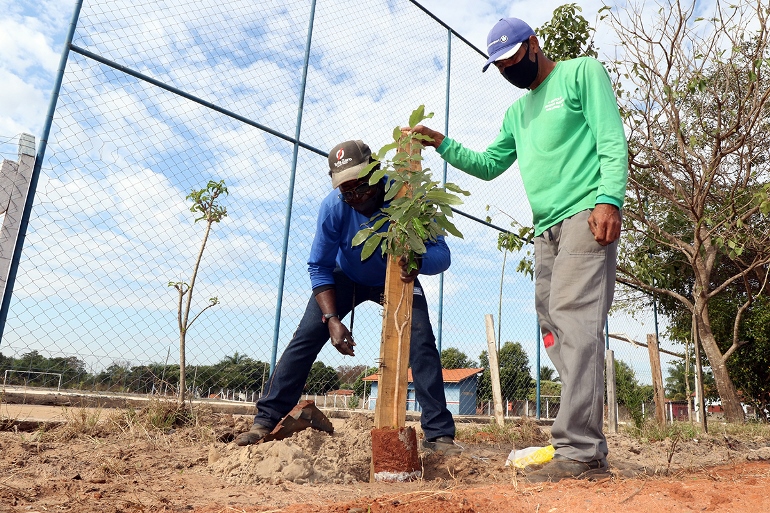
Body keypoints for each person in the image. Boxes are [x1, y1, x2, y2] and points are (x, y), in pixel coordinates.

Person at [410, 18, 628, 482]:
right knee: (554, 328)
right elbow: (490, 165)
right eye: (499, 66)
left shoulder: (580, 73)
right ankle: (583, 444)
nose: (508, 70)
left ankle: (581, 449)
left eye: (511, 60)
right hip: (545, 228)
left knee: (576, 319)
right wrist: (443, 144)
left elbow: (610, 137)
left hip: (585, 214)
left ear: (533, 45)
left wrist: (610, 198)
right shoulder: (516, 114)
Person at [235, 139, 460, 456]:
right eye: (347, 190)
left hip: (396, 275)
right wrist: (331, 319)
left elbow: (442, 255)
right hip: (345, 276)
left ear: (376, 171)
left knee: (420, 340)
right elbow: (319, 265)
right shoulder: (333, 208)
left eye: (362, 186)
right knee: (306, 336)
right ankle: (264, 421)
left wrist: (418, 261)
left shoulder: (408, 197)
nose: (356, 196)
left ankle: (438, 435)